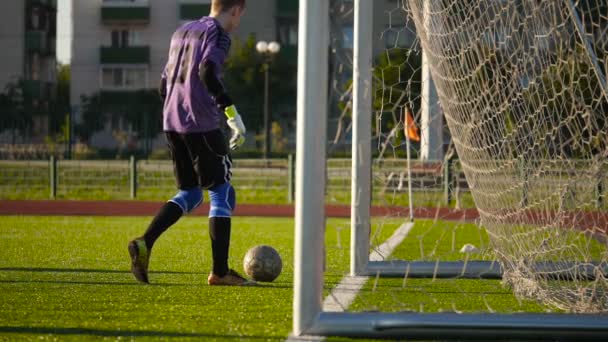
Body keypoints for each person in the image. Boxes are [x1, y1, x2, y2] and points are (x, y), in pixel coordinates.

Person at [128, 0, 250, 286]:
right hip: (201, 124)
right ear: (236, 9)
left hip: (172, 122)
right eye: (241, 15)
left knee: (191, 193)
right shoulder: (218, 34)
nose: (239, 21)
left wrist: (178, 108)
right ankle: (220, 272)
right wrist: (232, 114)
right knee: (221, 191)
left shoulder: (182, 32)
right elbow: (207, 71)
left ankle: (144, 242)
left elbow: (163, 85)